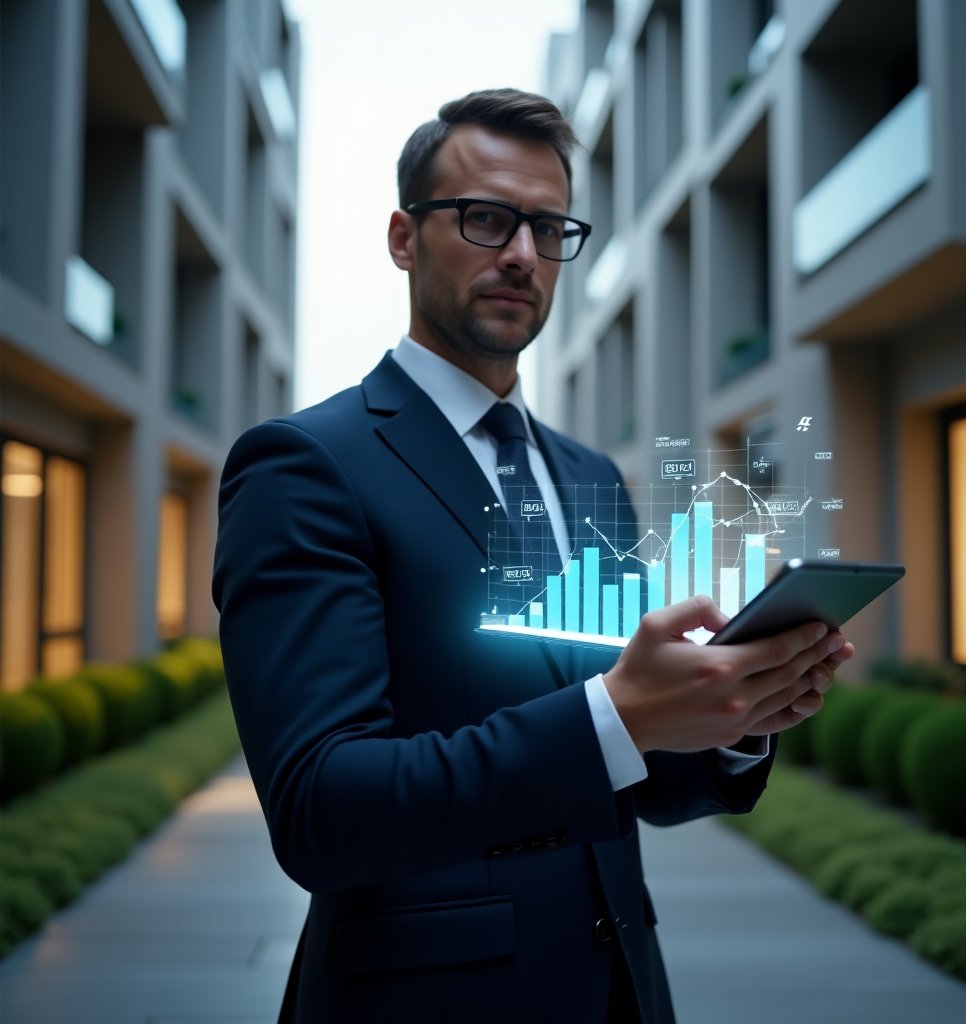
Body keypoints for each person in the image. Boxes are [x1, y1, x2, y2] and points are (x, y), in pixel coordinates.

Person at [212, 88, 854, 1024]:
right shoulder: (307, 464)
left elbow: (641, 775)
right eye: (486, 219)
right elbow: (322, 808)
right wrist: (612, 713)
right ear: (402, 237)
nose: (521, 253)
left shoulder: (587, 472)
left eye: (549, 228)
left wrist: (733, 718)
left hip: (617, 990)